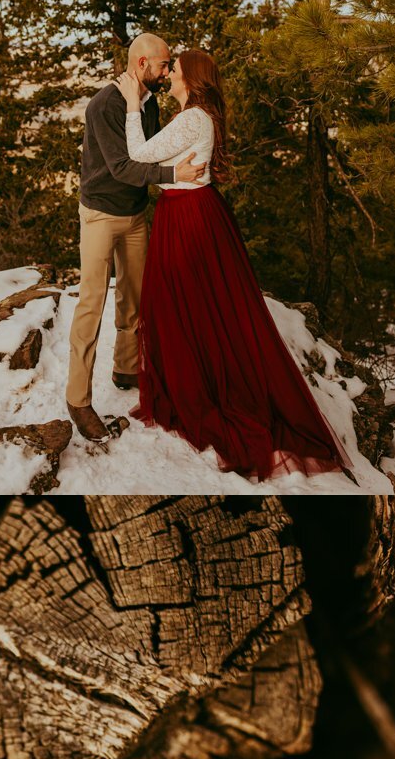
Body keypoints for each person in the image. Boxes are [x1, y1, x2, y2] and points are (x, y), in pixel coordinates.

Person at [118, 48, 354, 481]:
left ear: (191, 79)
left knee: (181, 302)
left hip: (187, 217)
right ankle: (198, 379)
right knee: (193, 305)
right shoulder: (196, 115)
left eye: (176, 70)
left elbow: (138, 154)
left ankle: (200, 390)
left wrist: (133, 103)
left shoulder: (192, 118)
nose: (169, 75)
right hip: (190, 211)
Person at [66, 34, 204, 443]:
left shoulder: (149, 103)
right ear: (142, 63)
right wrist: (173, 177)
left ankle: (126, 367)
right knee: (91, 303)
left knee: (135, 296)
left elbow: (150, 150)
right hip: (100, 215)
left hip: (134, 214)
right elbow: (125, 167)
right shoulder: (104, 104)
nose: (167, 71)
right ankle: (77, 399)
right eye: (163, 65)